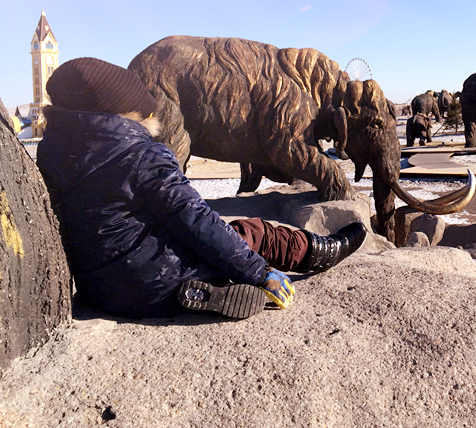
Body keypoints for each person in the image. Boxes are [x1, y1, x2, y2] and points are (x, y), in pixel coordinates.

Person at [36, 57, 367, 319]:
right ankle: (315, 253)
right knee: (249, 233)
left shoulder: (54, 153)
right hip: (155, 282)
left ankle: (207, 289)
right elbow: (195, 219)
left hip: (98, 287)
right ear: (126, 111)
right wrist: (258, 271)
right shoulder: (142, 156)